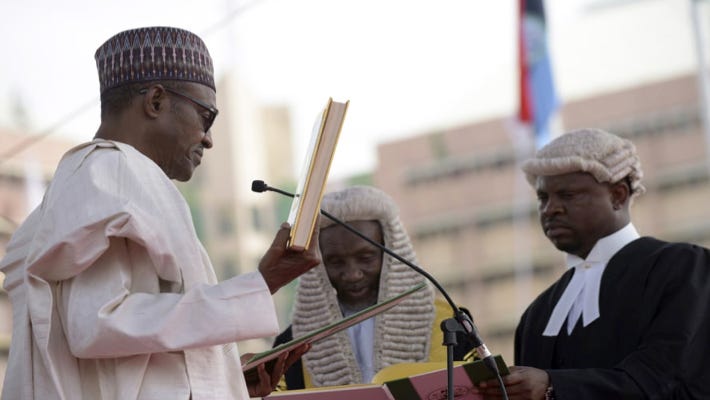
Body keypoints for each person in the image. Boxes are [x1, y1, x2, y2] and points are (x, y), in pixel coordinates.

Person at [0, 26, 321, 400]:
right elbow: (95, 323)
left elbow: (117, 356)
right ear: (155, 101)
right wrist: (262, 283)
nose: (209, 138)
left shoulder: (83, 190)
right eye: (206, 117)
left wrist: (224, 377)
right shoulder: (113, 170)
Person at [477, 128, 710, 399]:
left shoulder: (683, 268)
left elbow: (670, 379)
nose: (550, 209)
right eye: (543, 198)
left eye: (568, 195)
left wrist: (553, 386)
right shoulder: (538, 313)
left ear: (618, 195)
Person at [273, 185, 474, 389]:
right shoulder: (290, 347)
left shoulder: (449, 323)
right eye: (335, 262)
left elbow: (484, 387)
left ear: (390, 254)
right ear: (318, 265)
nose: (352, 274)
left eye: (366, 258)